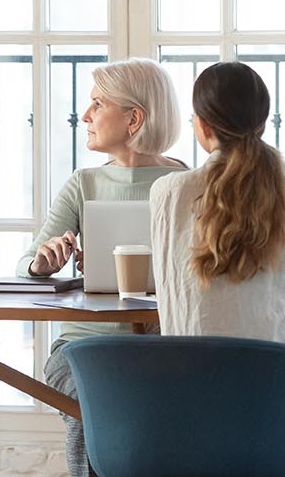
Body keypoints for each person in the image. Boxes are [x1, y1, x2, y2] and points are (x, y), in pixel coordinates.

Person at [27, 58, 187, 477]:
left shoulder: (187, 184)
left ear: (134, 118)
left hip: (162, 347)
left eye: (98, 104)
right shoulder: (84, 183)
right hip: (81, 349)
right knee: (95, 400)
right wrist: (45, 261)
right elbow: (29, 261)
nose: (86, 115)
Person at [149, 61, 285, 346]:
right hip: (272, 380)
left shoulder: (167, 193)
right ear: (263, 124)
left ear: (203, 125)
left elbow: (168, 284)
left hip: (186, 382)